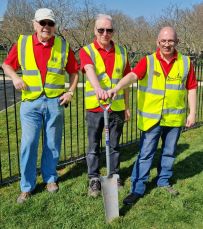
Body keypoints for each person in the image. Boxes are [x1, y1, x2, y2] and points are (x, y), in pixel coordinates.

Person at [108, 26, 197, 205]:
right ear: (157, 42)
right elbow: (133, 75)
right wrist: (117, 87)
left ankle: (163, 181)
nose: (166, 44)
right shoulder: (148, 61)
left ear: (176, 42)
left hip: (174, 119)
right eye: (163, 41)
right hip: (151, 119)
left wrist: (192, 112)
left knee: (169, 153)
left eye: (170, 41)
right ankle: (137, 188)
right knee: (146, 154)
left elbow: (192, 88)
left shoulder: (186, 62)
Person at [2, 8, 79, 203]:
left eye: (50, 23)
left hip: (55, 101)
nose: (46, 27)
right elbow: (6, 65)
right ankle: (26, 186)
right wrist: (14, 77)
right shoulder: (22, 43)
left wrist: (70, 92)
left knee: (52, 143)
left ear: (54, 26)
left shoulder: (63, 45)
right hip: (30, 102)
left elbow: (74, 72)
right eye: (42, 23)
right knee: (29, 144)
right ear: (34, 24)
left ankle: (50, 178)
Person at [79, 14, 131, 197]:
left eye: (109, 30)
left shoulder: (122, 51)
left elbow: (126, 81)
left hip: (115, 108)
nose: (105, 33)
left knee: (114, 145)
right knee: (94, 146)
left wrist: (126, 106)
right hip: (95, 107)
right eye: (101, 30)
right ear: (95, 30)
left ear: (113, 31)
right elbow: (89, 70)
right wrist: (98, 89)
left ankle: (114, 175)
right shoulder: (87, 50)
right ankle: (94, 178)